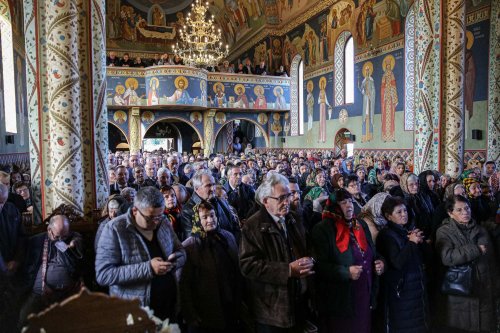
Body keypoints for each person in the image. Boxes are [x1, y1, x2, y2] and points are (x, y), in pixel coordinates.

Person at [95, 187, 186, 321]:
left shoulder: (163, 222)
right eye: (150, 218)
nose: (156, 222)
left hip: (168, 307)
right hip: (136, 314)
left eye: (159, 216)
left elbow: (180, 250)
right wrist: (148, 268)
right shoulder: (115, 229)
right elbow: (104, 274)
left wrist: (177, 259)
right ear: (135, 211)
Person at [239, 173, 313, 332]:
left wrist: (310, 260)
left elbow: (306, 247)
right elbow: (248, 266)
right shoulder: (253, 226)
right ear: (266, 200)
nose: (287, 201)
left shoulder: (293, 218)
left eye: (288, 196)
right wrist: (288, 270)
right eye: (281, 198)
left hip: (297, 302)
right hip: (272, 310)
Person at [312, 189, 384, 333]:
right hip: (342, 299)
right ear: (334, 206)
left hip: (364, 293)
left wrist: (380, 262)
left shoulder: (360, 225)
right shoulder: (323, 229)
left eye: (350, 201)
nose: (349, 205)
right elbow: (318, 266)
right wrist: (346, 272)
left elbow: (373, 252)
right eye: (343, 202)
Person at [435, 195, 498, 332]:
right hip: (461, 293)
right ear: (450, 213)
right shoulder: (444, 232)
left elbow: (491, 262)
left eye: (467, 208)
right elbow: (447, 257)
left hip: (484, 290)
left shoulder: (481, 230)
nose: (465, 212)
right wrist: (474, 250)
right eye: (459, 210)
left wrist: (495, 287)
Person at [179, 201, 242, 333]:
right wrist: (190, 314)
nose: (210, 220)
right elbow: (183, 285)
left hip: (230, 305)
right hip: (205, 313)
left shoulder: (227, 237)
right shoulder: (189, 247)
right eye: (205, 217)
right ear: (196, 220)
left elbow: (236, 269)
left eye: (212, 215)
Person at [377, 196, 430, 333]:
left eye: (405, 211)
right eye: (399, 212)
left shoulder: (407, 231)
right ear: (389, 216)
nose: (404, 215)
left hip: (415, 289)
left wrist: (420, 241)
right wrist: (412, 243)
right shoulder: (387, 235)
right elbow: (397, 262)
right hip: (401, 291)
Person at [19, 214, 83, 324]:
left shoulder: (71, 238)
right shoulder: (35, 241)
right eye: (57, 236)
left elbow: (77, 259)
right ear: (49, 230)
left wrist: (72, 243)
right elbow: (27, 268)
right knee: (24, 318)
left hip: (67, 293)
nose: (61, 239)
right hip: (40, 294)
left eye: (64, 236)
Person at [180, 170, 240, 242]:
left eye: (213, 184)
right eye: (208, 185)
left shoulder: (222, 201)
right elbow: (193, 241)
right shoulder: (187, 210)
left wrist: (233, 244)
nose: (213, 188)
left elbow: (235, 227)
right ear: (196, 188)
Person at [0, 184, 25, 277]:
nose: (0, 206)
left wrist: (17, 260)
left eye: (2, 202)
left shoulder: (12, 209)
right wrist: (3, 266)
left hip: (13, 261)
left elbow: (21, 236)